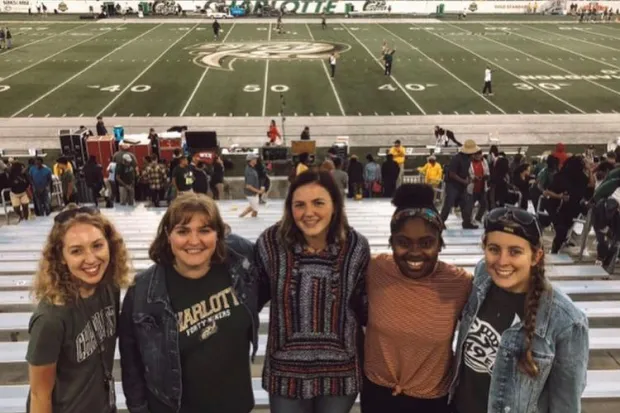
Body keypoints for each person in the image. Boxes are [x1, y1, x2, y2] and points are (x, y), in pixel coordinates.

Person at [119, 193, 260, 413]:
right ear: (168, 235)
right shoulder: (144, 290)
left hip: (236, 406)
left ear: (218, 235)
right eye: (183, 231)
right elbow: (131, 365)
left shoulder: (239, 268)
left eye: (204, 230)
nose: (194, 241)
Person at [449, 207, 589, 413]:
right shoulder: (482, 277)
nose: (502, 261)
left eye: (515, 251)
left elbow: (565, 405)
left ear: (535, 256)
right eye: (494, 249)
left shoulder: (566, 322)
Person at [255, 171, 370, 413]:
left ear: (335, 205)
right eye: (299, 205)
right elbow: (251, 294)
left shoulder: (356, 247)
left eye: (318, 203)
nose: (308, 213)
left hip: (340, 375)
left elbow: (364, 305)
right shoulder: (270, 243)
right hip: (286, 376)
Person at [362, 184, 472, 413]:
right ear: (391, 242)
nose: (414, 253)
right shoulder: (375, 270)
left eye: (426, 243)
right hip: (377, 395)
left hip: (432, 402)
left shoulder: (459, 283)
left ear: (440, 244)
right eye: (403, 242)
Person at [27, 205, 130, 413]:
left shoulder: (110, 288)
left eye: (97, 246)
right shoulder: (51, 318)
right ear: (62, 257)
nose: (91, 259)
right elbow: (40, 394)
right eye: (76, 251)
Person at [440, 139, 480, 229]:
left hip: (461, 185)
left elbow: (465, 172)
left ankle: (466, 222)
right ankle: (441, 222)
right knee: (448, 203)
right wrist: (464, 181)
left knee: (465, 203)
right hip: (452, 185)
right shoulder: (456, 159)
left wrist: (471, 178)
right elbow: (452, 174)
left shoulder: (468, 159)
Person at [239, 153, 262, 218]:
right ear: (251, 160)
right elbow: (248, 186)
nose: (256, 159)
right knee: (255, 210)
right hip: (251, 194)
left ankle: (241, 216)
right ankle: (252, 222)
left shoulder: (251, 169)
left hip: (253, 193)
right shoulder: (250, 171)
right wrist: (259, 191)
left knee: (253, 207)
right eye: (255, 158)